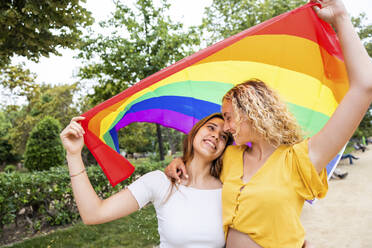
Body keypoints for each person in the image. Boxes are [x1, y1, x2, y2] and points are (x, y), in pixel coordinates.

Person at [165, 0, 372, 247]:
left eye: (229, 117)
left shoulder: (300, 160)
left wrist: (341, 17)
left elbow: (364, 87)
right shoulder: (230, 156)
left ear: (252, 111)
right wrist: (179, 162)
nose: (226, 127)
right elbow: (197, 171)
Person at [60, 113, 233, 248]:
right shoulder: (159, 182)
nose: (216, 136)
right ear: (195, 131)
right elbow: (93, 214)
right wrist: (74, 155)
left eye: (224, 136)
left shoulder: (229, 189)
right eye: (211, 128)